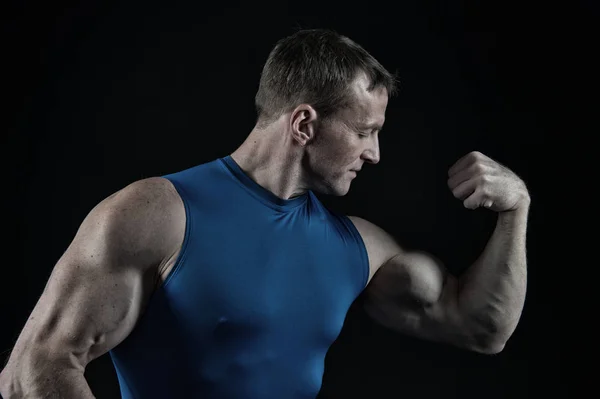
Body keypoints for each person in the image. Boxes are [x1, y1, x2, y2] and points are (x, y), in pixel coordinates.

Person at [0, 28, 530, 399]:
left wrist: (516, 211)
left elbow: (481, 327)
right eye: (365, 132)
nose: (375, 154)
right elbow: (34, 369)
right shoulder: (156, 215)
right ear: (303, 124)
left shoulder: (357, 248)